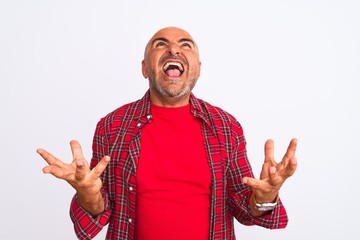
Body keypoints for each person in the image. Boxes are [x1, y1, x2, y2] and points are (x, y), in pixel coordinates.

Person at [37, 27, 298, 240]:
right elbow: (97, 209)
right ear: (144, 68)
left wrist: (266, 198)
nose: (174, 48)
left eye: (186, 45)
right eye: (160, 44)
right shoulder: (112, 125)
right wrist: (87, 193)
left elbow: (245, 207)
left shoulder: (226, 126)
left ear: (198, 67)